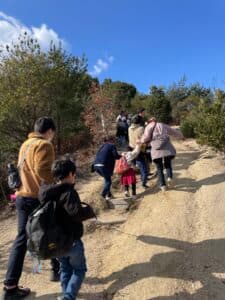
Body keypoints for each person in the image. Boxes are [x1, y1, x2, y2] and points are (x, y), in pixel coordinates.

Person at [3, 117, 57, 300]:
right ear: (49, 131)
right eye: (53, 133)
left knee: (21, 240)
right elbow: (42, 170)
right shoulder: (44, 145)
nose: (52, 137)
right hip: (35, 198)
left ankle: (10, 287)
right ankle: (57, 271)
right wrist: (55, 184)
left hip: (21, 197)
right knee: (50, 231)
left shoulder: (26, 144)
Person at [39, 159, 95, 300]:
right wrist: (89, 211)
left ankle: (66, 294)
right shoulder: (69, 192)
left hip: (55, 242)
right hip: (72, 241)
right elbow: (76, 214)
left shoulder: (48, 192)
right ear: (70, 174)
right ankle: (68, 297)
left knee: (64, 269)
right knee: (79, 269)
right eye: (74, 174)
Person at [141, 118, 184, 191]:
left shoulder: (148, 127)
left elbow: (145, 138)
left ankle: (163, 185)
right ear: (155, 120)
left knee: (159, 168)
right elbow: (173, 131)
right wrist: (181, 136)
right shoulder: (162, 125)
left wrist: (141, 141)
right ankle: (169, 177)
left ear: (149, 122)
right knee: (168, 164)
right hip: (167, 148)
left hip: (156, 150)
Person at [93, 136, 121, 201]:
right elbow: (115, 156)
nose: (114, 142)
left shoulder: (102, 146)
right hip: (103, 166)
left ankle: (109, 195)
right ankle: (103, 195)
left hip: (96, 166)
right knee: (108, 181)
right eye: (114, 140)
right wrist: (121, 156)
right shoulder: (112, 145)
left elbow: (98, 155)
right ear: (111, 140)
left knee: (107, 179)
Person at [128, 115, 149, 188]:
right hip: (140, 149)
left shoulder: (129, 128)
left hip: (131, 149)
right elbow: (144, 139)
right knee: (144, 168)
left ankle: (142, 178)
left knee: (140, 164)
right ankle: (144, 182)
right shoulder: (141, 128)